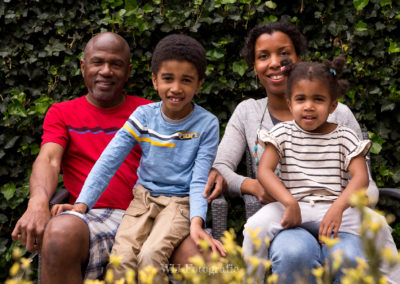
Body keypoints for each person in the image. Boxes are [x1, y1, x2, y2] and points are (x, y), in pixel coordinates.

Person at [205, 22, 400, 283]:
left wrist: (350, 204)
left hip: (338, 212)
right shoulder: (250, 113)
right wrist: (256, 187)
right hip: (287, 211)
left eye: (283, 54)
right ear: (254, 66)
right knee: (291, 251)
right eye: (263, 56)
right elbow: (222, 167)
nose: (274, 63)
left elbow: (363, 178)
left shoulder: (340, 116)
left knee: (360, 246)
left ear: (298, 59)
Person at [10, 32, 202, 283]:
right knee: (59, 233)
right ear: (83, 66)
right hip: (90, 216)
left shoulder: (152, 112)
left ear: (128, 71)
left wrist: (212, 171)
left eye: (116, 64)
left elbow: (187, 156)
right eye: (97, 62)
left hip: (152, 212)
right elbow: (49, 159)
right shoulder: (63, 113)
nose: (106, 70)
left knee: (202, 257)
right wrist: (37, 202)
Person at [52, 34, 225, 281]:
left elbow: (199, 179)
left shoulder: (207, 124)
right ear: (155, 81)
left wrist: (197, 222)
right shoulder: (143, 116)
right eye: (167, 79)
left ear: (199, 84)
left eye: (186, 80)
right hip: (142, 199)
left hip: (179, 204)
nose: (176, 88)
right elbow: (108, 161)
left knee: (151, 256)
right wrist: (82, 204)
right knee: (121, 259)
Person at [243, 55, 371, 283]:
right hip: (293, 207)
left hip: (335, 210)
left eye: (318, 100)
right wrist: (288, 201)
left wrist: (339, 206)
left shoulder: (345, 135)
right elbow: (264, 171)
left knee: (379, 230)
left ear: (333, 105)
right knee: (254, 226)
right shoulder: (281, 133)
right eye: (300, 99)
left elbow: (361, 177)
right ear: (290, 103)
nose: (309, 106)